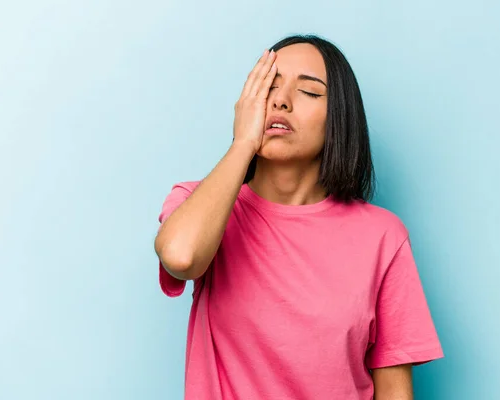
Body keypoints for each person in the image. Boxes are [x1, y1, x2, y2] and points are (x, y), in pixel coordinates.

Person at [154, 34, 444, 399]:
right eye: (269, 87)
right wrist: (243, 143)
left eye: (308, 92)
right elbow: (182, 256)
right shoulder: (198, 203)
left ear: (339, 116)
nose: (280, 101)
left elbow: (394, 389)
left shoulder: (382, 236)